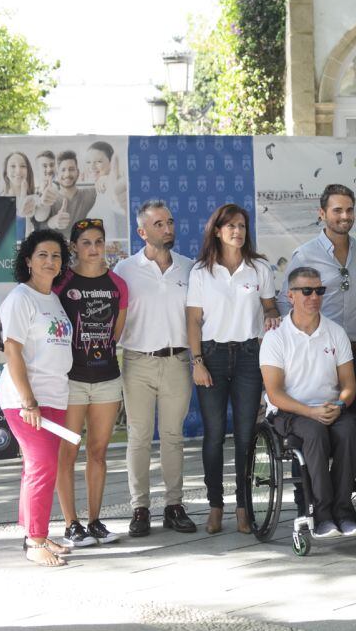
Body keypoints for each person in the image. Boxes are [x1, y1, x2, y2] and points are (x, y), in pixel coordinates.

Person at [187, 203, 280, 535]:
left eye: (242, 225)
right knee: (213, 436)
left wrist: (271, 312)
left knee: (245, 437)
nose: (237, 231)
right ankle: (215, 507)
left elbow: (270, 305)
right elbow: (194, 320)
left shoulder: (259, 269)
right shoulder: (201, 272)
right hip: (210, 357)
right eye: (230, 226)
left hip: (248, 358)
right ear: (217, 231)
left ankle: (243, 507)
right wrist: (196, 362)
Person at [113, 200, 197, 536]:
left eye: (170, 222)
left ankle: (174, 506)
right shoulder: (123, 270)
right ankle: (140, 509)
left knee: (174, 438)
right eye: (159, 224)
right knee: (139, 438)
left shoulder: (190, 268)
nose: (168, 228)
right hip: (137, 362)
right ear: (142, 232)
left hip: (178, 360)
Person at [261, 266, 356, 538]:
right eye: (306, 290)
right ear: (290, 296)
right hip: (289, 411)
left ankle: (344, 511)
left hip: (330, 407)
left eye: (319, 290)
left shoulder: (336, 332)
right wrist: (310, 412)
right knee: (314, 432)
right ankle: (322, 513)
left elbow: (349, 384)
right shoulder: (275, 336)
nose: (314, 296)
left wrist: (339, 406)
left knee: (350, 429)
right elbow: (275, 393)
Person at [0, 229, 74, 567]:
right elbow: (12, 350)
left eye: (56, 256)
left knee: (41, 467)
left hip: (55, 395)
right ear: (28, 260)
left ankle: (34, 530)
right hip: (26, 400)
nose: (50, 261)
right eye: (42, 254)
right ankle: (35, 540)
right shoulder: (20, 298)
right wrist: (28, 400)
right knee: (42, 466)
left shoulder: (52, 298)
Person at [53, 218, 128, 546]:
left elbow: (116, 333)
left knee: (98, 451)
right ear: (74, 247)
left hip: (106, 378)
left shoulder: (118, 285)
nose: (94, 248)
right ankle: (72, 524)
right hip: (71, 381)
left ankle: (95, 520)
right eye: (86, 242)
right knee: (67, 451)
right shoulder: (61, 283)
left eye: (99, 242)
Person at [278, 184, 356, 418]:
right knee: (322, 424)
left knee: (353, 425)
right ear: (322, 214)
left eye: (349, 210)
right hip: (322, 354)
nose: (345, 216)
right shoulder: (305, 254)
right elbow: (283, 300)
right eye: (337, 210)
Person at [37, 150, 97, 240]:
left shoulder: (90, 194)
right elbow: (39, 227)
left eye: (71, 169)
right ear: (57, 174)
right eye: (63, 170)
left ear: (78, 172)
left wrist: (103, 179)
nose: (67, 174)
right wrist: (53, 222)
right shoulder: (49, 197)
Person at [84, 141, 128, 236]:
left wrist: (108, 181)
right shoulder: (99, 189)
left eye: (98, 162)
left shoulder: (112, 185)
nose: (92, 166)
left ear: (111, 163)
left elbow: (118, 206)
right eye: (88, 162)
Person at [1, 151, 38, 221]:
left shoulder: (34, 199)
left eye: (23, 166)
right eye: (13, 166)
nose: (18, 171)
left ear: (28, 171)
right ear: (6, 173)